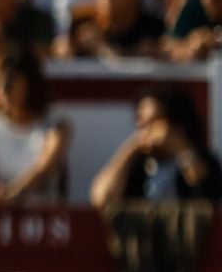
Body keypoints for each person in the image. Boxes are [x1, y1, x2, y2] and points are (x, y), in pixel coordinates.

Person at [0, 49, 71, 211]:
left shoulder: (56, 124)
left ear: (30, 83)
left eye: (10, 81)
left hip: (43, 222)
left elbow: (44, 169)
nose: (2, 89)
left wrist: (14, 194)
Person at [90, 87, 222, 207]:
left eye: (153, 122)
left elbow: (208, 195)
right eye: (141, 122)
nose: (145, 131)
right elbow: (102, 198)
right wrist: (129, 150)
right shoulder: (136, 164)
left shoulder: (203, 159)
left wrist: (180, 148)